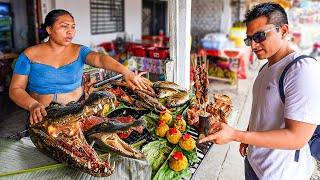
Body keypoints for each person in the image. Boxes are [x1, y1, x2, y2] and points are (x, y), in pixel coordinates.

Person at [199, 3, 320, 180]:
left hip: (280, 174)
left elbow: (297, 138)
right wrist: (247, 138)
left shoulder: (301, 70)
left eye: (260, 36)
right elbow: (262, 109)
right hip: (255, 163)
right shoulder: (266, 68)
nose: (253, 45)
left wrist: (236, 135)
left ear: (284, 31)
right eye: (249, 39)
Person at [9, 9, 150, 126]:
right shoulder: (29, 55)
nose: (70, 31)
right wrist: (33, 105)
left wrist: (125, 71)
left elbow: (100, 58)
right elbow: (16, 89)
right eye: (64, 26)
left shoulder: (80, 51)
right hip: (41, 116)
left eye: (73, 27)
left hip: (76, 113)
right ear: (49, 29)